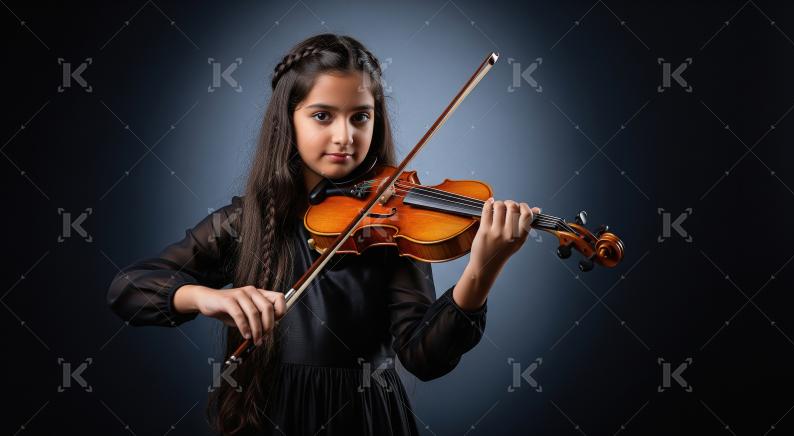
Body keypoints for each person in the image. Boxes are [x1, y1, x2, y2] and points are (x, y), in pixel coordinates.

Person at [107, 33, 540, 435]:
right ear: (288, 121)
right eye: (322, 116)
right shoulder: (245, 221)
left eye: (360, 117)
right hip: (271, 414)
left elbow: (423, 358)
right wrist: (205, 298)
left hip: (367, 417)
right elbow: (127, 289)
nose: (345, 136)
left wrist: (482, 270)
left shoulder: (392, 224)